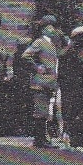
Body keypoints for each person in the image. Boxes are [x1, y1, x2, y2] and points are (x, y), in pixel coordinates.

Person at [18, 15, 63, 148]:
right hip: (41, 82)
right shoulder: (39, 42)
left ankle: (42, 138)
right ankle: (39, 139)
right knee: (40, 112)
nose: (52, 29)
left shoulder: (52, 44)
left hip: (49, 83)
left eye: (53, 26)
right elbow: (26, 55)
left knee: (44, 112)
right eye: (50, 26)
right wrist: (36, 67)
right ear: (44, 29)